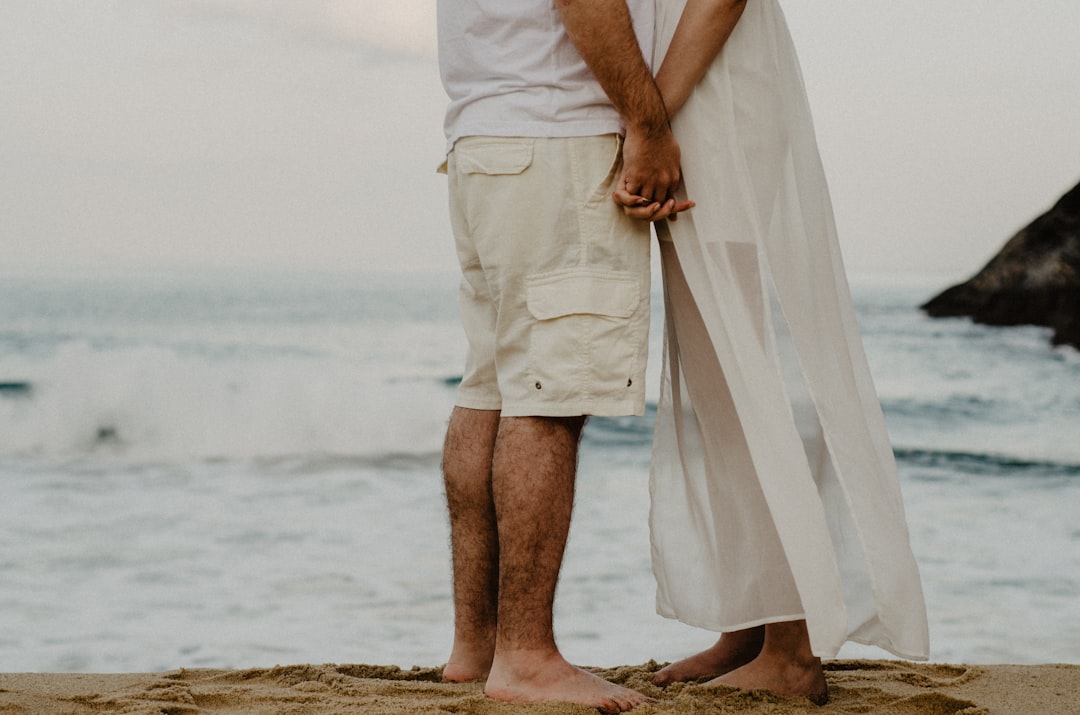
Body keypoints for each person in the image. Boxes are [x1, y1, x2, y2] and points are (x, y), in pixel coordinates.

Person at [615, 0, 931, 704]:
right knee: (719, 388)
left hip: (711, 99)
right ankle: (753, 624)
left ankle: (790, 648)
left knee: (743, 377)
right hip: (690, 96)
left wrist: (649, 124)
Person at [435, 1, 687, 710]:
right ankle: (526, 655)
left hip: (483, 138)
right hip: (558, 141)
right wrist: (648, 124)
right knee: (551, 393)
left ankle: (477, 645)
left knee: (491, 384)